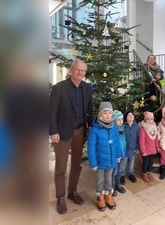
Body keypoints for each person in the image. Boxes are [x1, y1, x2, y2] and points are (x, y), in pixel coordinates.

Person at [49, 59, 93, 214]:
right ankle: (60, 197)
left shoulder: (87, 88)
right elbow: (51, 112)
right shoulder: (59, 88)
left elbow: (89, 108)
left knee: (76, 164)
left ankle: (72, 191)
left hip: (80, 131)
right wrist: (52, 132)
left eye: (83, 71)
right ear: (71, 70)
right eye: (77, 70)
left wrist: (91, 125)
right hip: (62, 133)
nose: (80, 73)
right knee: (61, 167)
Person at [88, 102, 123, 211]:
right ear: (99, 115)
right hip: (100, 161)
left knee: (109, 178)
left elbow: (117, 142)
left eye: (109, 113)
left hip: (112, 159)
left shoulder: (114, 127)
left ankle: (108, 195)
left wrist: (118, 154)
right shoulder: (94, 129)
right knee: (100, 180)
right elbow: (91, 148)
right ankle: (100, 197)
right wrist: (93, 163)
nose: (108, 115)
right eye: (105, 113)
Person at [139, 111, 159, 183]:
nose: (150, 121)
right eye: (148, 119)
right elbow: (141, 141)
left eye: (151, 119)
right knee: (146, 162)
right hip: (146, 150)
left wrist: (157, 146)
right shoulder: (143, 129)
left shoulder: (154, 127)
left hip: (152, 149)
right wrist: (143, 151)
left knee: (151, 162)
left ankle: (149, 172)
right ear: (145, 120)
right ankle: (144, 173)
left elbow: (156, 138)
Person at [111, 110, 127, 197]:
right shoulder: (113, 130)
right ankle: (111, 186)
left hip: (123, 154)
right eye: (118, 119)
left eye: (121, 119)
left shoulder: (124, 128)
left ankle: (117, 184)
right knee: (114, 171)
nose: (120, 121)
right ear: (114, 120)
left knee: (120, 171)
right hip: (116, 156)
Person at [123, 110, 140, 183]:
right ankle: (122, 175)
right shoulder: (123, 126)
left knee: (131, 162)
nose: (131, 116)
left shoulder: (136, 126)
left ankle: (131, 174)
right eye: (129, 115)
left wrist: (137, 148)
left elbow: (138, 138)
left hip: (133, 148)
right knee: (124, 162)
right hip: (125, 149)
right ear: (125, 117)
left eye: (132, 115)